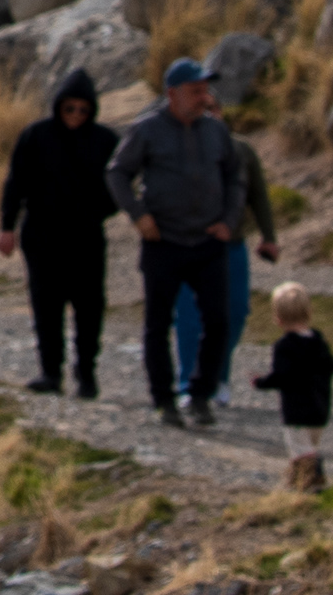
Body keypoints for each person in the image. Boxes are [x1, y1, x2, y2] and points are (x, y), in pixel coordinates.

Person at [105, 57, 248, 428]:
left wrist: (229, 222)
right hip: (163, 241)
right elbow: (118, 173)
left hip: (207, 241)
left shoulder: (216, 132)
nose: (203, 98)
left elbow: (235, 177)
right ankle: (163, 400)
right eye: (195, 91)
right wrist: (139, 216)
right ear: (173, 94)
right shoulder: (148, 130)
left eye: (206, 90)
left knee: (217, 322)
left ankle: (201, 396)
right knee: (157, 325)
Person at [0, 69, 118, 397]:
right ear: (58, 106)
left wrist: (101, 212)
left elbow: (121, 184)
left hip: (87, 237)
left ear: (91, 110)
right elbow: (15, 182)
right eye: (69, 108)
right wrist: (7, 227)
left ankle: (87, 374)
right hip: (42, 236)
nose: (76, 115)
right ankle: (50, 372)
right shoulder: (36, 136)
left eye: (82, 109)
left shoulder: (105, 141)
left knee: (90, 307)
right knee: (46, 306)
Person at [171, 131, 284, 386]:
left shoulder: (241, 150)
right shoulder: (174, 148)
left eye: (212, 109)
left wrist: (269, 236)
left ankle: (216, 373)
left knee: (237, 309)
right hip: (188, 244)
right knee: (189, 315)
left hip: (230, 245)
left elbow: (258, 194)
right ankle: (189, 380)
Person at [252, 280, 333, 491]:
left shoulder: (285, 346)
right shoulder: (318, 340)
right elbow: (331, 365)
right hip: (320, 407)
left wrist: (261, 382)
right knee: (308, 445)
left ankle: (312, 480)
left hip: (297, 410)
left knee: (301, 450)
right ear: (309, 312)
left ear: (277, 319)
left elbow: (281, 375)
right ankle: (296, 482)